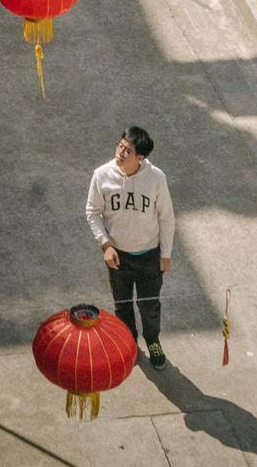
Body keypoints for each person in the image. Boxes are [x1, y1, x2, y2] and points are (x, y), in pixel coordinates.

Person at [85, 126, 175, 370]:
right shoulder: (101, 175)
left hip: (149, 256)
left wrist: (165, 254)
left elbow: (167, 217)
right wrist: (105, 245)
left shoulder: (156, 178)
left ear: (140, 158)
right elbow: (92, 212)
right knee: (122, 305)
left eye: (128, 151)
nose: (120, 153)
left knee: (149, 305)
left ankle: (153, 341)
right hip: (119, 257)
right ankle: (128, 343)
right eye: (120, 146)